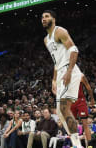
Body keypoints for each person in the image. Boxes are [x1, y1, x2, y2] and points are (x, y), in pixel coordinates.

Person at [41, 10, 84, 148]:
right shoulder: (46, 40)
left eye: (46, 16)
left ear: (53, 19)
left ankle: (77, 144)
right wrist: (54, 80)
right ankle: (75, 141)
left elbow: (74, 50)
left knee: (64, 108)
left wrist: (69, 71)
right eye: (42, 17)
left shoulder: (60, 31)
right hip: (60, 72)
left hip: (68, 69)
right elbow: (56, 61)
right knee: (59, 111)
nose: (43, 19)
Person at [70, 74, 94, 146]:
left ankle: (89, 145)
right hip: (71, 101)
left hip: (80, 100)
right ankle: (75, 145)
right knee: (72, 125)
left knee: (85, 124)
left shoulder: (80, 75)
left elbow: (88, 88)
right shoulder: (65, 76)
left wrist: (92, 99)